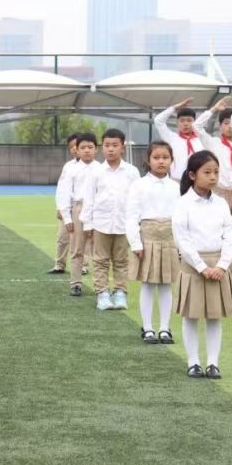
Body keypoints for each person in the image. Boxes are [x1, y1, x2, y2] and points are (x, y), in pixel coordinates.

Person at [172, 150, 232, 379]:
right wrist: (202, 267)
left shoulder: (221, 203)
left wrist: (222, 265)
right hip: (193, 267)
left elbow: (230, 235)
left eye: (216, 172)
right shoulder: (183, 204)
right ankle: (193, 362)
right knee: (191, 316)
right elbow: (182, 240)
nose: (213, 177)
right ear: (192, 175)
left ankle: (212, 363)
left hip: (218, 267)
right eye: (207, 172)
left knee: (214, 316)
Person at [126, 141, 179, 344]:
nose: (161, 161)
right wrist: (135, 243)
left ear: (171, 160)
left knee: (166, 284)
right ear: (148, 160)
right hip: (146, 238)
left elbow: (181, 217)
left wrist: (181, 244)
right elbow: (131, 216)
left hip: (170, 239)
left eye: (165, 157)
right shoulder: (139, 185)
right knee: (148, 284)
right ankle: (147, 328)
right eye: (156, 157)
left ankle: (165, 328)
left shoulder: (176, 187)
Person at [81, 129, 140, 310]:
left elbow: (137, 199)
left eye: (115, 145)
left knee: (121, 261)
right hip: (101, 223)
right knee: (100, 261)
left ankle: (120, 293)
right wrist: (87, 223)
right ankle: (102, 293)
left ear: (123, 147)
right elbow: (89, 198)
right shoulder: (96, 172)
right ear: (102, 148)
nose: (111, 149)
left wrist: (136, 223)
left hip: (124, 224)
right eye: (107, 145)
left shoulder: (132, 172)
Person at [193, 98, 232, 292]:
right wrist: (213, 109)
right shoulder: (213, 143)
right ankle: (224, 272)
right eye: (226, 123)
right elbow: (196, 126)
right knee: (221, 234)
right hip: (220, 192)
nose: (230, 127)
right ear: (220, 126)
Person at [58, 132, 99, 297]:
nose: (87, 150)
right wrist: (67, 217)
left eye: (90, 147)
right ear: (77, 150)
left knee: (98, 250)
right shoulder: (71, 169)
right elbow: (64, 192)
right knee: (77, 249)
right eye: (83, 147)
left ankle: (100, 285)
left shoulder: (101, 169)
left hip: (97, 210)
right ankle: (75, 283)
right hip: (78, 208)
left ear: (96, 149)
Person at [48, 133, 80, 274]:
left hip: (82, 208)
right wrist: (59, 207)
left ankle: (82, 266)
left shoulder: (93, 167)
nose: (74, 149)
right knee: (62, 238)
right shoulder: (68, 166)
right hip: (67, 207)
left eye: (76, 145)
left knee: (82, 240)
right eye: (71, 147)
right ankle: (59, 264)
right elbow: (61, 189)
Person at [153, 97, 202, 182]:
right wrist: (175, 107)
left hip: (197, 181)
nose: (185, 124)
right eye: (182, 121)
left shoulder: (201, 139)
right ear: (177, 122)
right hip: (177, 181)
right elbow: (158, 121)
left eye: (189, 120)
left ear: (195, 122)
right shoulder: (172, 138)